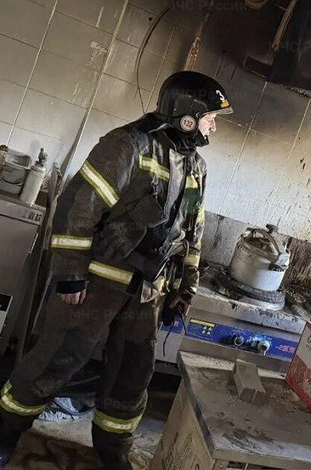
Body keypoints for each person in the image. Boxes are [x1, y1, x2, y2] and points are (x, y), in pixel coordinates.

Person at [0, 71, 232, 469]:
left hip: (149, 292)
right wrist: (70, 273)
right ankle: (5, 433)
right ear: (188, 117)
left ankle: (113, 451)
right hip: (97, 283)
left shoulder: (197, 167)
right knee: (56, 360)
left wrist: (185, 288)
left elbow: (193, 231)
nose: (213, 126)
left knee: (132, 376)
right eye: (210, 117)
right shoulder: (128, 145)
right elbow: (79, 206)